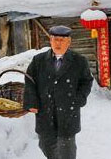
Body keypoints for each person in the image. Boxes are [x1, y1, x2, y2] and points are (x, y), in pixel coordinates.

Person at [24, 25, 93, 159]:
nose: (58, 43)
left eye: (62, 40)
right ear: (50, 41)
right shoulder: (38, 61)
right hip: (45, 112)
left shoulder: (79, 61)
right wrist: (32, 102)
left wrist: (78, 100)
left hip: (68, 113)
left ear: (69, 42)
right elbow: (29, 82)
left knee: (66, 151)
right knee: (45, 145)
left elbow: (86, 81)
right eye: (55, 39)